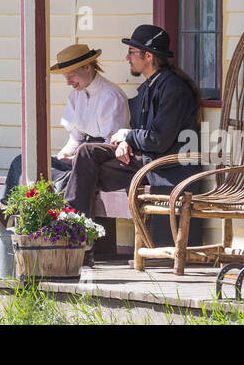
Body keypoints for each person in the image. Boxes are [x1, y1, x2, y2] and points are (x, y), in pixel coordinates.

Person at [59, 25, 202, 222]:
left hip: (161, 167)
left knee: (82, 171)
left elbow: (159, 139)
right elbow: (138, 129)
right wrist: (126, 142)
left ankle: (74, 230)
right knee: (84, 155)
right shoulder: (147, 88)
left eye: (131, 52)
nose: (127, 58)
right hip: (143, 158)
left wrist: (127, 136)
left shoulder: (173, 89)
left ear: (148, 56)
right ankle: (76, 229)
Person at [0, 43, 129, 206]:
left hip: (100, 161)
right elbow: (76, 137)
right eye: (65, 77)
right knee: (25, 162)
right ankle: (17, 211)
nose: (68, 82)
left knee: (61, 179)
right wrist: (64, 155)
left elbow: (110, 144)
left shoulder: (111, 96)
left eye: (71, 76)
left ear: (87, 67)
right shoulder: (76, 95)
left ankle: (49, 216)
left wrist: (76, 159)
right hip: (80, 157)